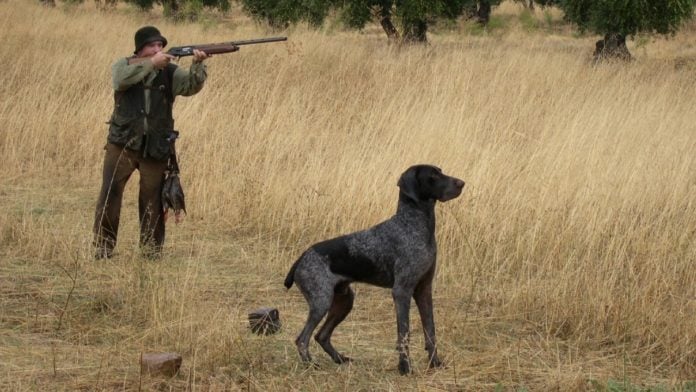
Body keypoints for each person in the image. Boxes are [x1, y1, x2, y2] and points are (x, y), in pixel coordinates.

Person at [93, 26, 209, 259]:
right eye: (152, 46)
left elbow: (190, 86)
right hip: (123, 142)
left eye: (160, 46)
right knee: (110, 194)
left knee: (152, 200)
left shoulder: (169, 72)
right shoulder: (123, 65)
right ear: (140, 49)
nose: (158, 50)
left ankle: (150, 251)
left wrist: (197, 65)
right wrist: (151, 64)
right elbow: (120, 81)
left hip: (156, 145)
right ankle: (103, 248)